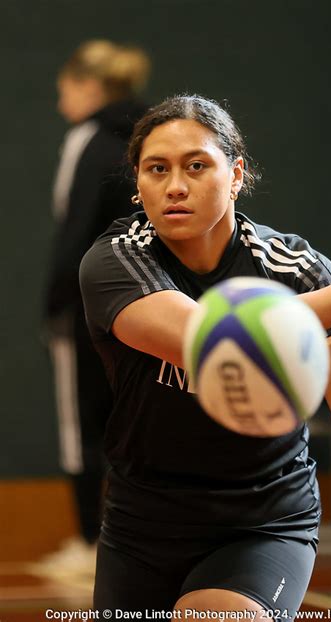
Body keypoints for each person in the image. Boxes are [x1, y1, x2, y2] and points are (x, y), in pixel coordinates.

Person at [79, 95, 331, 617]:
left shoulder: (294, 266)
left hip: (262, 520)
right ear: (138, 184)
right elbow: (206, 339)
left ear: (236, 175)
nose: (175, 186)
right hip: (142, 521)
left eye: (197, 166)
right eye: (156, 169)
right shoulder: (116, 258)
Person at [42, 40, 151, 574]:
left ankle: (90, 545)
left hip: (88, 306)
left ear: (88, 86)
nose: (60, 99)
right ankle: (136, 543)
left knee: (82, 426)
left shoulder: (86, 141)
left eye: (64, 88)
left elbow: (75, 232)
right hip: (146, 300)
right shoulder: (143, 137)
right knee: (133, 417)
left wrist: (56, 306)